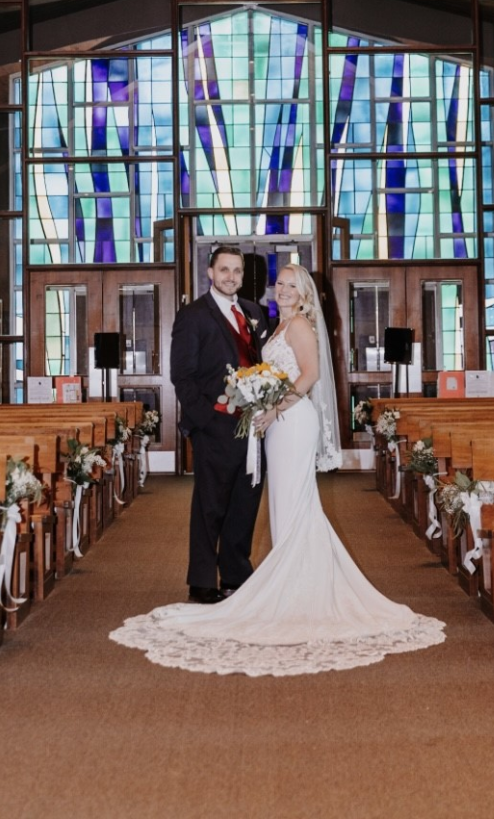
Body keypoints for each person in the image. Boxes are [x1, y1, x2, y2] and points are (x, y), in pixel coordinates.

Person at [110, 264, 445, 676]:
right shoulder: (267, 322)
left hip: (290, 421)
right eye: (280, 284)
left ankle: (296, 591)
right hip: (269, 425)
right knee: (284, 503)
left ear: (303, 292)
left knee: (292, 499)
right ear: (213, 273)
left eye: (291, 285)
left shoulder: (299, 324)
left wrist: (274, 406)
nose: (283, 290)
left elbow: (311, 375)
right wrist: (258, 404)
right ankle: (288, 584)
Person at [169, 245, 269, 605]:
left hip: (253, 427)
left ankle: (235, 574)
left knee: (245, 502)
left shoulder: (255, 312)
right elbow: (181, 375)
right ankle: (201, 581)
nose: (231, 277)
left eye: (237, 271)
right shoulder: (194, 315)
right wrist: (206, 420)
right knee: (210, 506)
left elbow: (264, 366)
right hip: (214, 427)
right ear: (210, 273)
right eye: (224, 270)